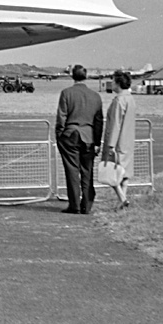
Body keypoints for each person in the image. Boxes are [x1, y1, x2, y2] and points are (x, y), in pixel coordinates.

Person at [55, 64, 104, 214]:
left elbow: (61, 116)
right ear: (86, 76)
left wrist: (59, 134)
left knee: (72, 170)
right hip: (88, 136)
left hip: (70, 135)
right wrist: (97, 142)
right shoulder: (95, 96)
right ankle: (87, 204)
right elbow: (98, 121)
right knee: (87, 171)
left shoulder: (66, 93)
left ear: (72, 76)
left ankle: (74, 204)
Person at [102, 70, 135, 209]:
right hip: (128, 139)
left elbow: (115, 123)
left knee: (112, 173)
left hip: (117, 141)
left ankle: (122, 198)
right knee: (124, 174)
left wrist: (110, 145)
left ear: (118, 83)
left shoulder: (119, 101)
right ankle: (123, 200)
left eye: (114, 81)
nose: (112, 84)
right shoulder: (131, 99)